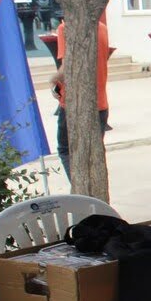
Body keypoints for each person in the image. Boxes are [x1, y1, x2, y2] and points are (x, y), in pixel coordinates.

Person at [52, 18, 110, 180]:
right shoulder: (101, 28)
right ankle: (93, 188)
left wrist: (53, 81)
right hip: (100, 102)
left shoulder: (66, 28)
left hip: (74, 104)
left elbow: (66, 68)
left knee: (66, 149)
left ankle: (80, 188)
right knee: (93, 154)